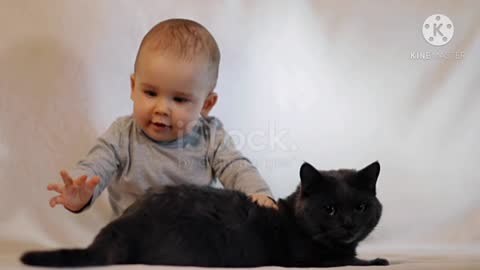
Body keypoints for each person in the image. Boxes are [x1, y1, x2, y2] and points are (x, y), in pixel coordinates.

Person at [46, 18, 277, 219]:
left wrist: (258, 194)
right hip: (135, 237)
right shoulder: (121, 135)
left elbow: (236, 167)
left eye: (179, 99)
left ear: (206, 105)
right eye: (150, 93)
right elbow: (96, 164)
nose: (162, 108)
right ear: (133, 87)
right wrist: (81, 190)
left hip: (191, 234)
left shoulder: (211, 137)